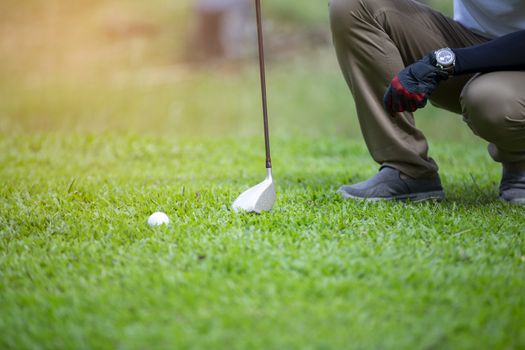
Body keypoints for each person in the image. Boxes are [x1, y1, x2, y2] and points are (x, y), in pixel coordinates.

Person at [328, 0, 525, 204]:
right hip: (470, 41)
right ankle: (407, 170)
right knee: (352, 5)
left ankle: (520, 163)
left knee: (488, 99)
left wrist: (447, 61)